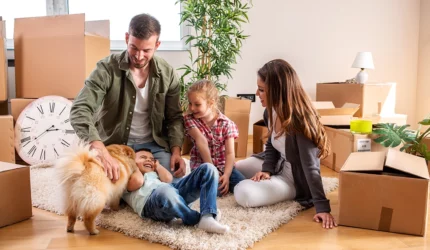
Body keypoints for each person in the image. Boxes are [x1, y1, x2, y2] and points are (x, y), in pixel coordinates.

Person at [70, 13, 185, 183]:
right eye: (134, 48)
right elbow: (80, 109)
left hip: (154, 146)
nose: (139, 56)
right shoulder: (106, 69)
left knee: (174, 182)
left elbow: (174, 117)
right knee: (111, 185)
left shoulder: (168, 73)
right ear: (126, 38)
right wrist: (100, 149)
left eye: (146, 50)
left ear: (157, 45)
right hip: (116, 146)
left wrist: (176, 151)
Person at [234, 59, 337, 229]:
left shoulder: (300, 122)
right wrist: (267, 169)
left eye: (261, 90)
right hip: (277, 164)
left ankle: (267, 187)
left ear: (277, 91)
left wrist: (322, 207)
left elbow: (311, 167)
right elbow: (271, 144)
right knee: (234, 168)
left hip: (292, 179)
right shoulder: (270, 111)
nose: (257, 94)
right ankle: (265, 180)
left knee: (243, 193)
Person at [124, 148, 230, 234]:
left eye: (152, 159)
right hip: (151, 204)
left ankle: (208, 215)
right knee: (165, 190)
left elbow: (168, 179)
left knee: (208, 168)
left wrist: (158, 166)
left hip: (171, 194)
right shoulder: (128, 177)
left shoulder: (154, 173)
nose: (149, 160)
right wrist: (132, 165)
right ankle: (195, 219)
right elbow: (138, 182)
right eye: (143, 157)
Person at [184, 80, 245, 196]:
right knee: (217, 191)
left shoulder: (227, 124)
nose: (192, 108)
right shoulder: (189, 120)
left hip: (225, 167)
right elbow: (201, 143)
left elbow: (230, 154)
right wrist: (214, 172)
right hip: (203, 168)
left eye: (197, 104)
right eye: (190, 103)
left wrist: (226, 175)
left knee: (244, 186)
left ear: (211, 103)